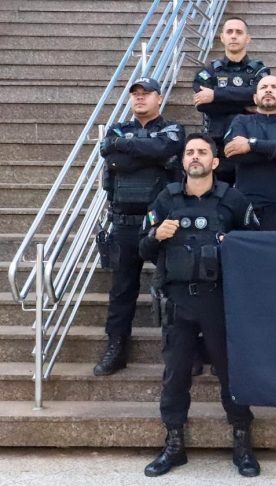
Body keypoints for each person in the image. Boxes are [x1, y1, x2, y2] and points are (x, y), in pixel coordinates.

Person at [139, 133, 259, 478]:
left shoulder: (232, 199)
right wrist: (155, 235)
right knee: (175, 375)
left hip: (219, 300)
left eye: (202, 152)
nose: (195, 157)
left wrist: (233, 243)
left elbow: (256, 247)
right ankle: (174, 443)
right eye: (190, 152)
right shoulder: (166, 198)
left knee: (230, 374)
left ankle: (242, 441)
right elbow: (143, 250)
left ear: (214, 162)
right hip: (178, 301)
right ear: (183, 161)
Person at [94, 77, 185, 376]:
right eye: (135, 94)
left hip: (162, 222)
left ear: (159, 98)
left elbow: (166, 148)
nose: (140, 98)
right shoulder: (117, 129)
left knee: (174, 286)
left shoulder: (173, 129)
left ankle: (182, 350)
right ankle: (116, 347)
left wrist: (129, 149)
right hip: (124, 222)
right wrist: (151, 156)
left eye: (146, 93)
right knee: (121, 290)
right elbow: (114, 161)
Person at [223, 75, 276, 230]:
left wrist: (251, 144)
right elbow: (235, 153)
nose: (268, 90)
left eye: (274, 87)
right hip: (246, 210)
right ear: (255, 98)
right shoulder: (241, 121)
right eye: (263, 87)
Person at [192, 16, 269, 185]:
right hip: (217, 143)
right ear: (222, 37)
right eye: (229, 32)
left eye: (239, 32)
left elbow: (261, 95)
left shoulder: (259, 70)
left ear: (247, 38)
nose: (234, 36)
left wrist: (216, 95)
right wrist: (245, 103)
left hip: (251, 143)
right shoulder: (208, 71)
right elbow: (204, 105)